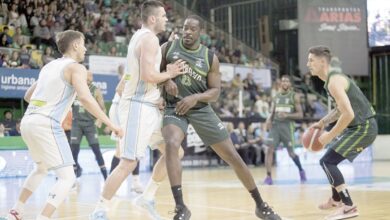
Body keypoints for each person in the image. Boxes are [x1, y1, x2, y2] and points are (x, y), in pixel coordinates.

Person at [161, 15, 281, 220]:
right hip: (174, 107)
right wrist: (165, 81)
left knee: (232, 156)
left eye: (192, 29)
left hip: (200, 109)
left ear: (201, 32)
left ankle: (260, 205)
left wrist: (195, 98)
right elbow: (154, 72)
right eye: (185, 28)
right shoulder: (168, 48)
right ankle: (181, 207)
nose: (187, 32)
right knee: (171, 144)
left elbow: (215, 92)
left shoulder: (210, 57)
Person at [5, 30, 122, 220]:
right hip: (46, 124)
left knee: (41, 168)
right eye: (83, 44)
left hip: (28, 121)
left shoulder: (49, 66)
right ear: (75, 45)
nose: (85, 48)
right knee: (68, 177)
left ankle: (16, 211)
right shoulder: (77, 68)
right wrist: (112, 124)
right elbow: (85, 98)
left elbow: (27, 96)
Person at [89, 1, 185, 219]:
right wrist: (170, 72)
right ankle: (100, 209)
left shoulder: (141, 37)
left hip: (149, 107)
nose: (166, 19)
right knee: (128, 162)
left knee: (175, 152)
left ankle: (147, 196)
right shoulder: (149, 38)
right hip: (138, 108)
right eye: (163, 15)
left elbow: (142, 71)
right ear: (152, 19)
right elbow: (148, 76)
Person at [307, 46, 377, 220]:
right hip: (358, 127)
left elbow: (348, 114)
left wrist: (328, 136)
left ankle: (349, 206)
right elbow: (340, 109)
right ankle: (336, 199)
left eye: (311, 60)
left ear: (322, 61)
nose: (308, 64)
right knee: (329, 159)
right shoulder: (332, 80)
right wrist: (322, 123)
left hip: (363, 127)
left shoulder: (334, 81)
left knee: (327, 161)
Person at [263, 75, 306, 185]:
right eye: (283, 81)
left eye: (287, 81)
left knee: (291, 153)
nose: (284, 83)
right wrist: (268, 120)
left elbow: (300, 115)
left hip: (287, 127)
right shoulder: (276, 96)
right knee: (269, 150)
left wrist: (287, 115)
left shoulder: (294, 96)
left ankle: (301, 170)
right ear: (280, 83)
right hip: (276, 126)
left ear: (290, 84)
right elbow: (272, 112)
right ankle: (268, 176)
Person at [70, 70, 108, 180]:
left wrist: (100, 121)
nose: (89, 77)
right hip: (76, 123)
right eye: (87, 75)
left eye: (91, 75)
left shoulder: (95, 90)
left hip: (90, 124)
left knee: (96, 150)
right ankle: (73, 177)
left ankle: (106, 177)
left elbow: (103, 108)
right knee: (74, 151)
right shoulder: (75, 89)